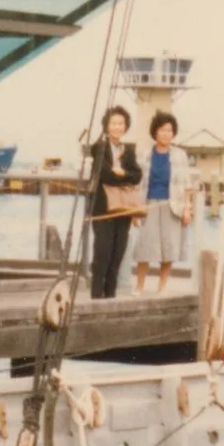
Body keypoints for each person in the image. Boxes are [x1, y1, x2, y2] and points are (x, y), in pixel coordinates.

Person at [83, 105, 140, 300]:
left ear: (126, 126)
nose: (117, 127)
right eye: (114, 123)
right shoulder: (99, 148)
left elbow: (137, 175)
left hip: (123, 209)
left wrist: (124, 173)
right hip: (102, 208)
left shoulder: (129, 150)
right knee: (103, 253)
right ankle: (96, 296)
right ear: (106, 126)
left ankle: (111, 296)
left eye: (121, 123)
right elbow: (104, 175)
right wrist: (126, 177)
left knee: (118, 254)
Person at [133, 112, 192, 293]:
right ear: (155, 132)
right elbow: (137, 185)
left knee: (169, 248)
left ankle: (162, 287)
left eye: (169, 130)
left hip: (172, 205)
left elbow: (186, 185)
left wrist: (187, 209)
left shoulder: (180, 155)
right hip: (149, 204)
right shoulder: (144, 154)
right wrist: (135, 211)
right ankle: (139, 286)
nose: (166, 134)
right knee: (145, 247)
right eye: (162, 130)